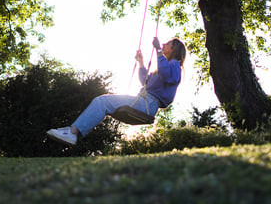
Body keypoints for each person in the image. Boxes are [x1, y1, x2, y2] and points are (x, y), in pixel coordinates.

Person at [46, 36, 187, 146]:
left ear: (175, 49)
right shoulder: (164, 66)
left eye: (168, 44)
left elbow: (168, 75)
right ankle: (73, 131)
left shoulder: (174, 65)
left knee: (102, 101)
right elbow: (145, 81)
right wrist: (141, 62)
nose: (163, 45)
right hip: (144, 101)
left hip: (148, 105)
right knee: (103, 102)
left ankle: (72, 132)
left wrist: (157, 50)